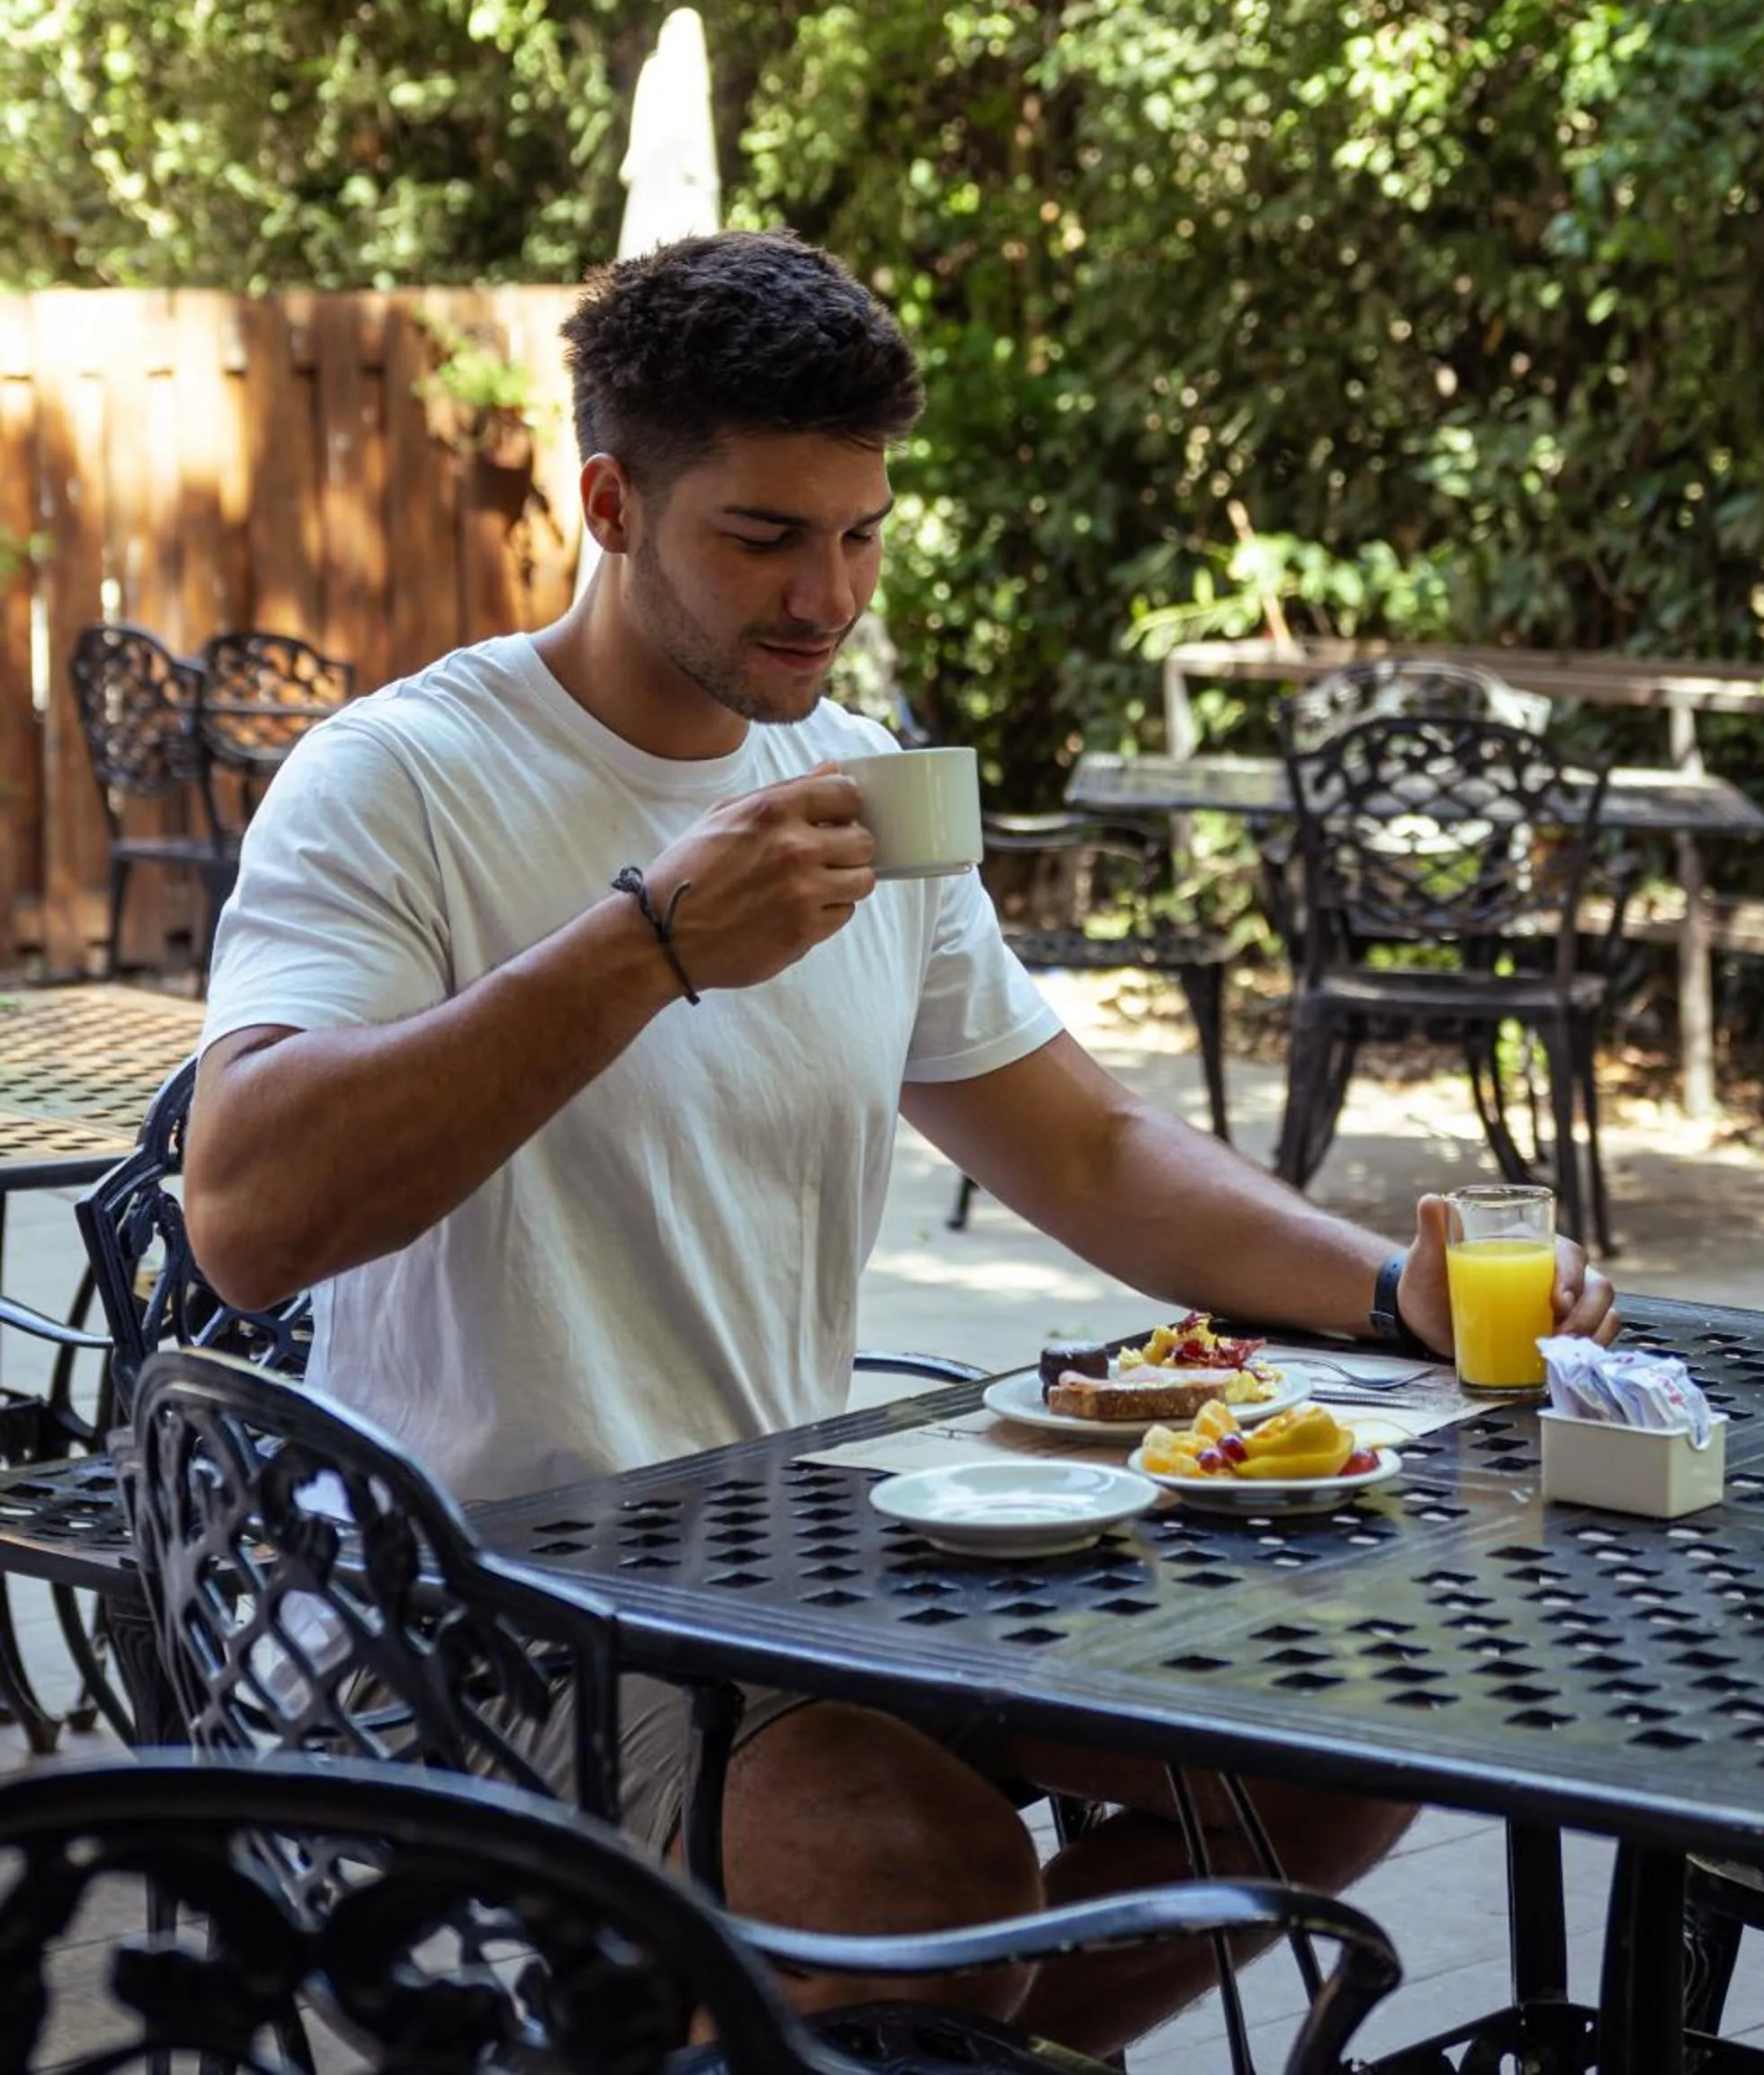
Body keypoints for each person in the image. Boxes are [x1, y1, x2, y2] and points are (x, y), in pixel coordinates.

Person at [189, 229, 1617, 2056]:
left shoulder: (861, 781)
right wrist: (647, 948)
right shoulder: (401, 778)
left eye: (862, 535)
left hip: (802, 1567)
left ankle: (938, 2055)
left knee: (1338, 1740)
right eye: (764, 537)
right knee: (923, 1883)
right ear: (611, 505)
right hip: (486, 1603)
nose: (828, 595)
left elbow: (1084, 1148)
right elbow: (249, 1216)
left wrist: (1387, 1294)